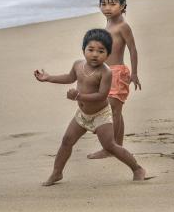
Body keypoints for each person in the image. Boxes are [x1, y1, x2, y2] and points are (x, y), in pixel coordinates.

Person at [34, 29, 145, 186]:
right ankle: (57, 173)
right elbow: (69, 77)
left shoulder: (105, 72)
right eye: (90, 49)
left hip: (100, 115)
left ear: (107, 54)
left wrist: (79, 96)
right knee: (66, 140)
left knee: (110, 146)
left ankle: (137, 168)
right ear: (83, 49)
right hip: (82, 115)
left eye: (101, 51)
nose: (95, 54)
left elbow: (101, 95)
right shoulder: (78, 65)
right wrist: (48, 78)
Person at [87, 0, 142, 159]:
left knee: (113, 111)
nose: (107, 8)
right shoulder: (109, 23)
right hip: (105, 72)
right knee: (113, 111)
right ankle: (117, 145)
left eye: (112, 4)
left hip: (118, 73)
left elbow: (133, 49)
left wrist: (134, 73)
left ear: (123, 6)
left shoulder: (123, 26)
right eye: (103, 4)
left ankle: (110, 148)